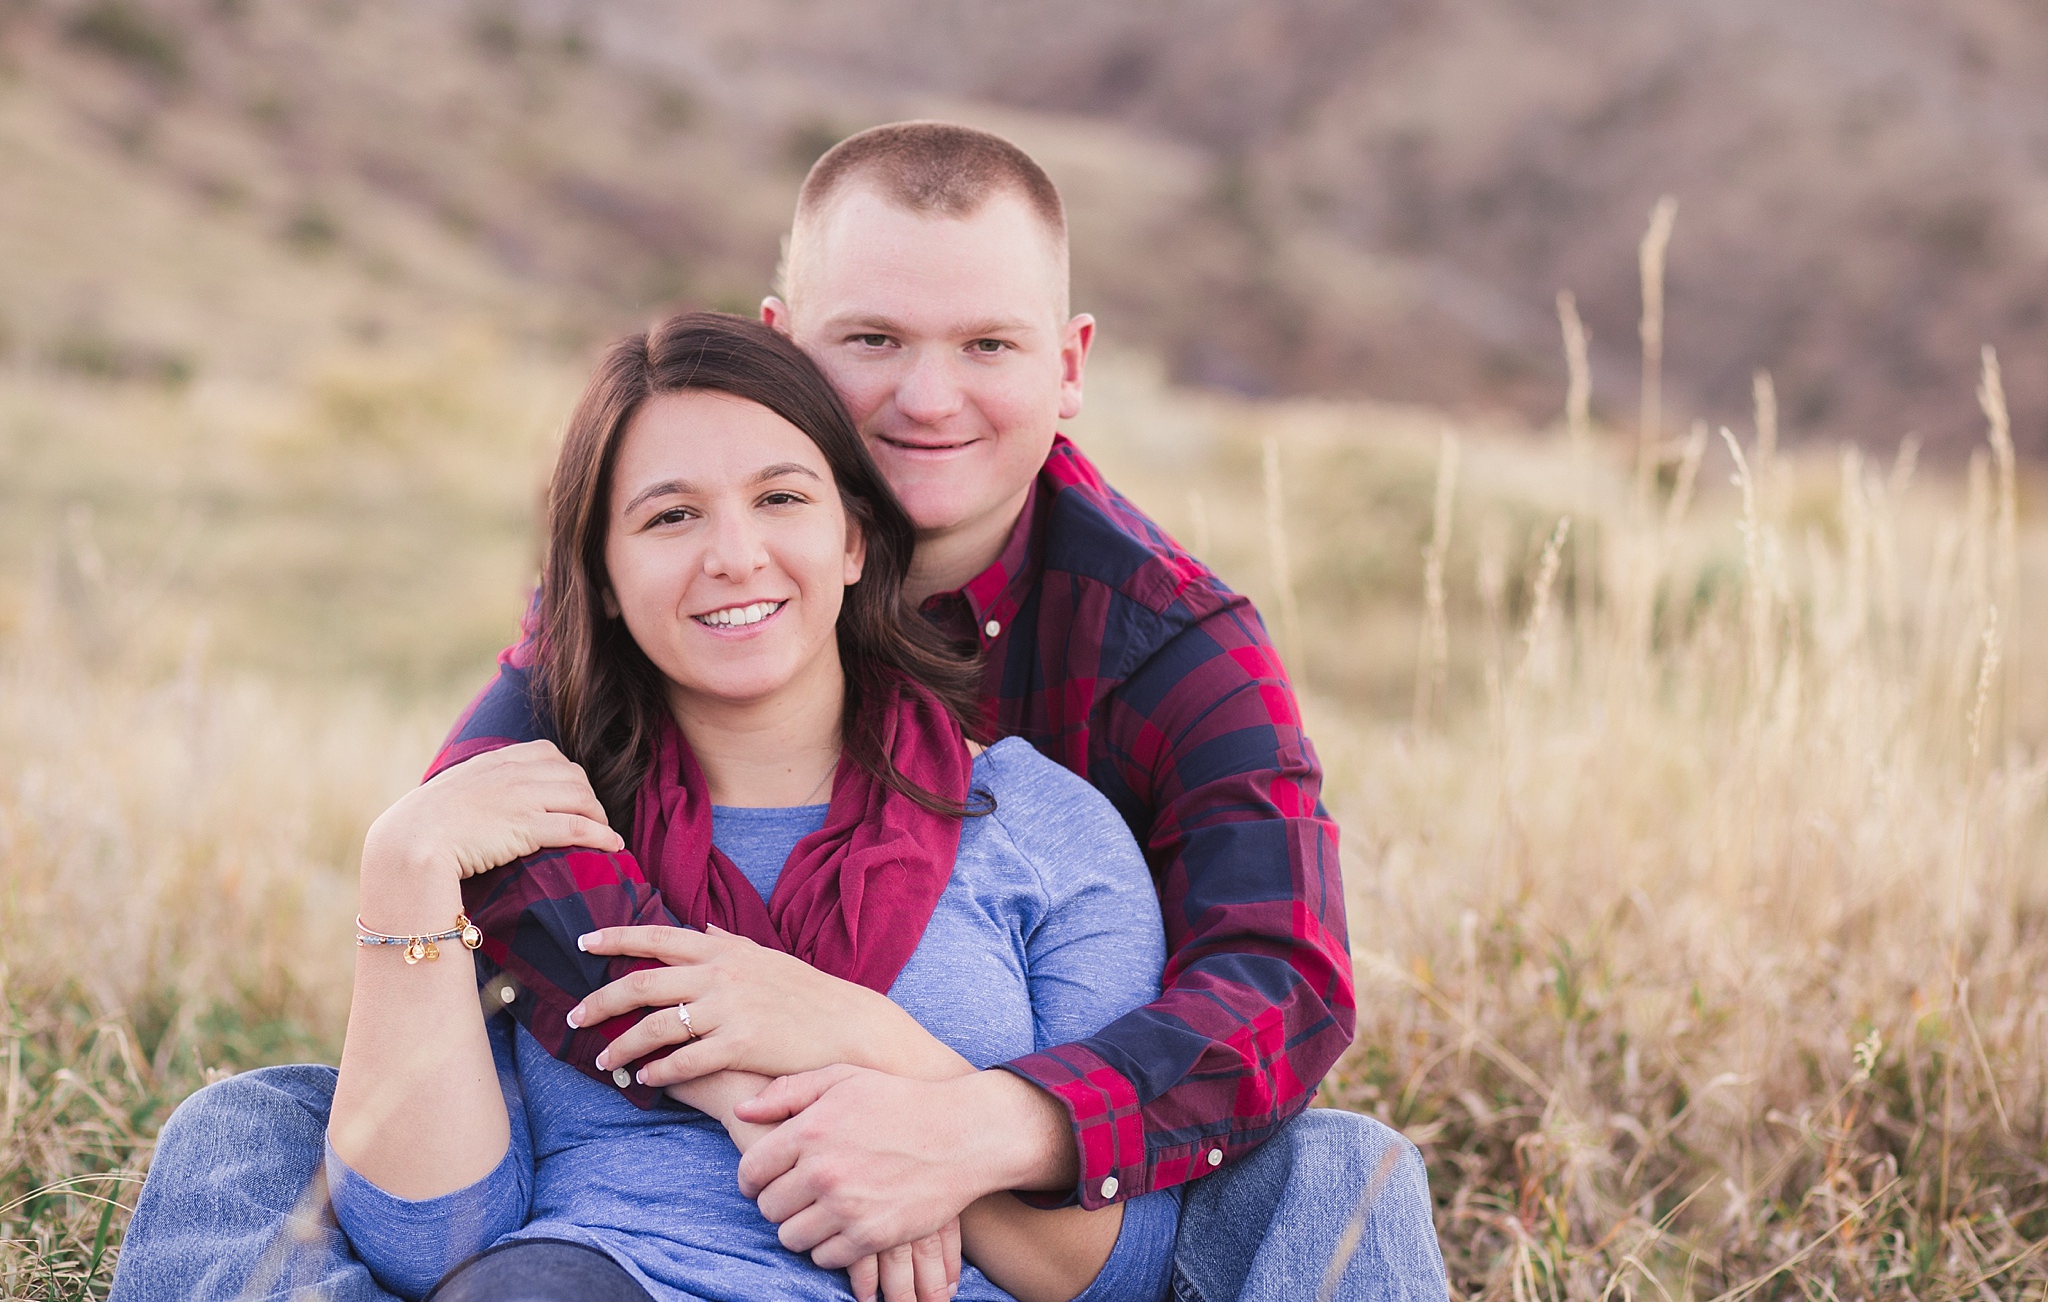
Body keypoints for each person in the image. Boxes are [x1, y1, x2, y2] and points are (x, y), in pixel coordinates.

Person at [111, 123, 1448, 1302]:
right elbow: (488, 826)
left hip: (1052, 1157)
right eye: (870, 340)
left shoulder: (1164, 650)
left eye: (987, 344)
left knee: (1344, 1173)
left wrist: (960, 1120)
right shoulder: (658, 590)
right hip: (621, 1207)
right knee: (252, 1132)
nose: (928, 399)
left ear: (1068, 362)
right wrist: (759, 1066)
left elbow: (1276, 980)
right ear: (782, 344)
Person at [320, 311, 1180, 1301]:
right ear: (598, 576)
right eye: (669, 516)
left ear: (855, 537)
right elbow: (432, 1246)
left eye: (779, 497)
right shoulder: (536, 842)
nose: (734, 555)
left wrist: (863, 1048)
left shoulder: (1042, 831)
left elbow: (1113, 1269)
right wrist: (402, 879)